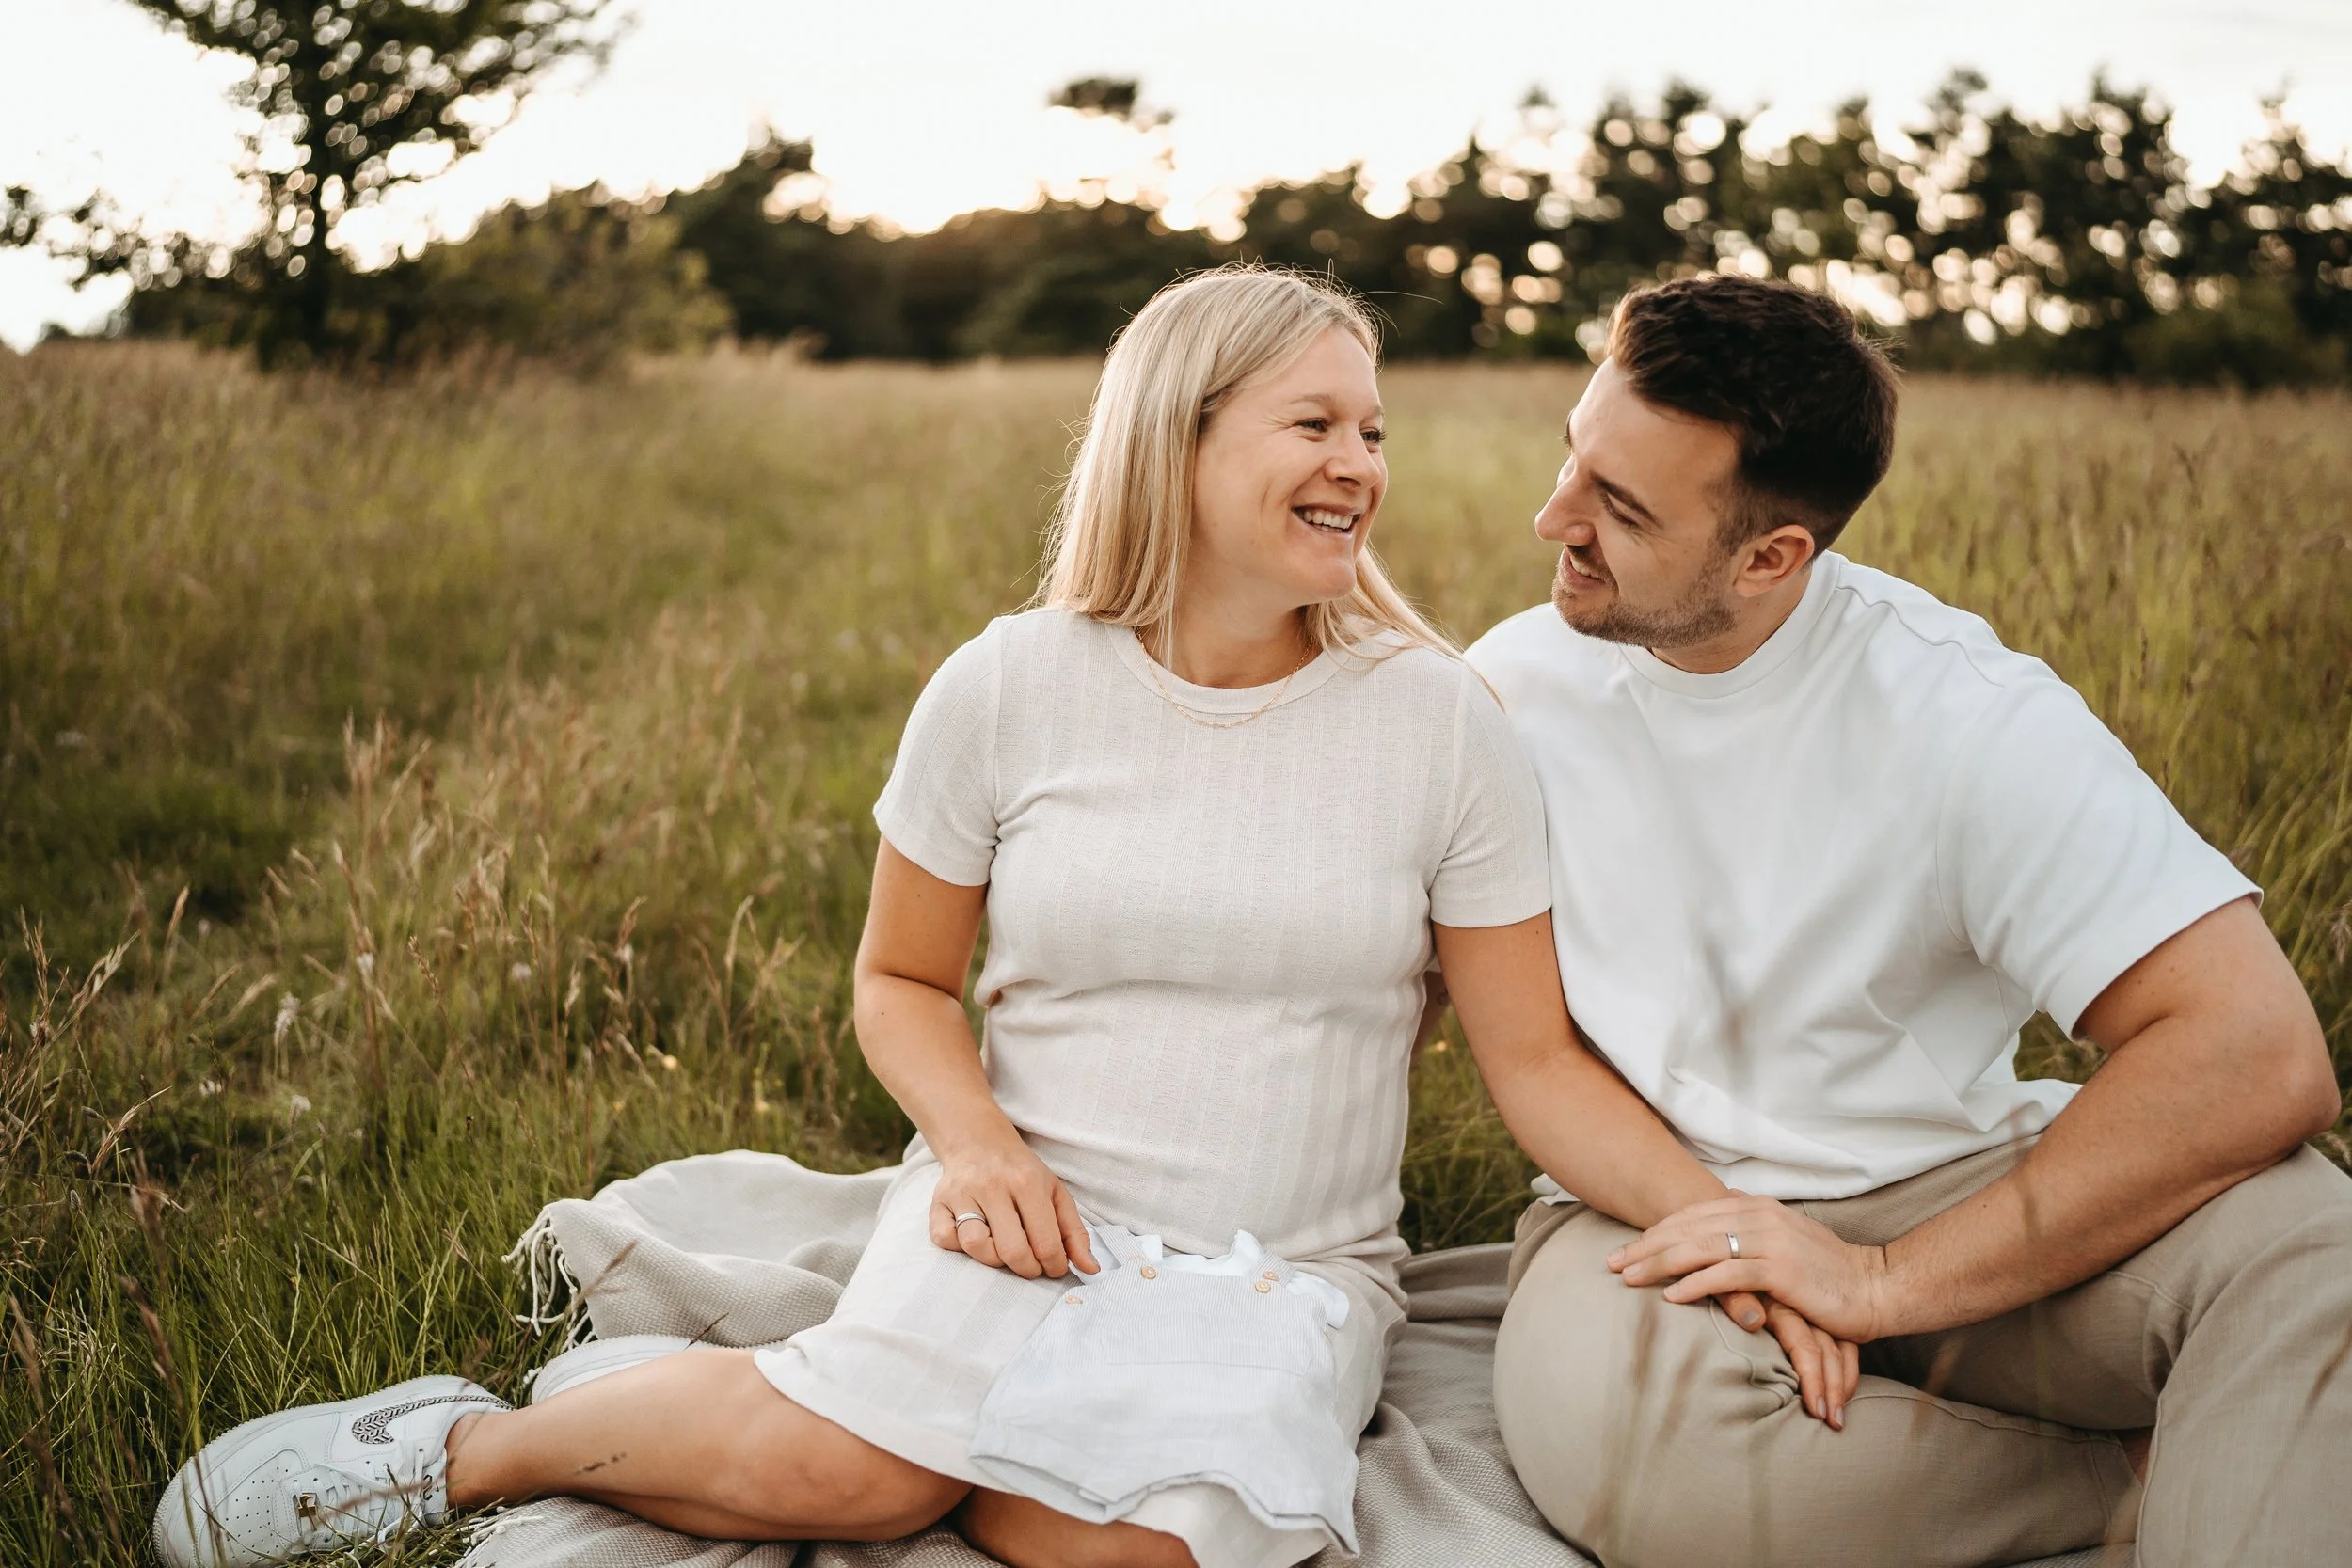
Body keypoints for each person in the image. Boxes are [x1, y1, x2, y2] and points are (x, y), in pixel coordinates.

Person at [151, 267, 1856, 1568]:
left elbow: (1535, 1060)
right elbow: (899, 978)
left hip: (1281, 1266)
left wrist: (1741, 1231)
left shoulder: (1439, 720)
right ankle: (473, 1449)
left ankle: (926, 1439)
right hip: (1019, 1205)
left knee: (1132, 1542)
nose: (1363, 463)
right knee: (860, 1474)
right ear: (1178, 438)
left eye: (1376, 429)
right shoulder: (1007, 685)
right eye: (1315, 424)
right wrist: (971, 1148)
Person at [1470, 274, 2350, 1568]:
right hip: (1644, 1204)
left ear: (1774, 557)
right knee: (1640, 1450)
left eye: (1622, 508)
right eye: (1573, 458)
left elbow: (2257, 1049)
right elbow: (1536, 1054)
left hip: (1953, 1200)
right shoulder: (1512, 690)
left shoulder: (1968, 719)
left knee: (2313, 1263)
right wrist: (1741, 1235)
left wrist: (1879, 1284)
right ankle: (2143, 1480)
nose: (1556, 519)